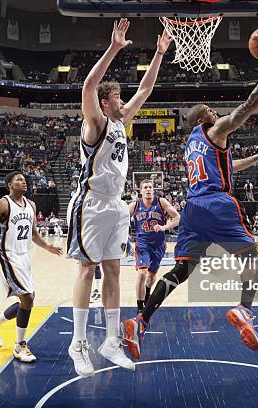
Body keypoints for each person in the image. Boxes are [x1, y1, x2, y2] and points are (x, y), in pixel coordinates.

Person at [123, 36, 258, 359]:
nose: (215, 111)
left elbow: (226, 165)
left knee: (181, 271)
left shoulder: (192, 145)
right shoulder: (216, 129)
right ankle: (243, 310)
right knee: (251, 259)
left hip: (193, 208)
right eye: (210, 110)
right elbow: (249, 105)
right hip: (217, 204)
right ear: (202, 119)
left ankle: (140, 321)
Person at [65, 18, 172, 377]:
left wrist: (158, 54)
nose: (124, 102)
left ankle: (110, 340)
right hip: (92, 202)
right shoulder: (94, 123)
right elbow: (88, 85)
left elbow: (145, 89)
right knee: (87, 268)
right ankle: (78, 342)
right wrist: (114, 47)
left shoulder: (120, 122)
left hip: (115, 204)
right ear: (106, 102)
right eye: (118, 98)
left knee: (113, 269)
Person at [0, 171, 63, 362]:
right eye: (18, 179)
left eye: (24, 180)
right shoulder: (3, 203)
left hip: (24, 257)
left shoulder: (31, 205)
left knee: (27, 301)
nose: (23, 182)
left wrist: (47, 246)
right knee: (27, 297)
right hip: (6, 255)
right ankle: (20, 345)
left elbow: (33, 234)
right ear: (9, 184)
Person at [130, 179, 180, 313]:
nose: (148, 190)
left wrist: (164, 227)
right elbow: (120, 221)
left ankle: (147, 293)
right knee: (141, 273)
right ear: (140, 191)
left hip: (158, 245)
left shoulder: (161, 202)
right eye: (145, 187)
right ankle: (140, 308)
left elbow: (177, 218)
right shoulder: (134, 205)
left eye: (150, 187)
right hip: (142, 244)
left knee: (151, 277)